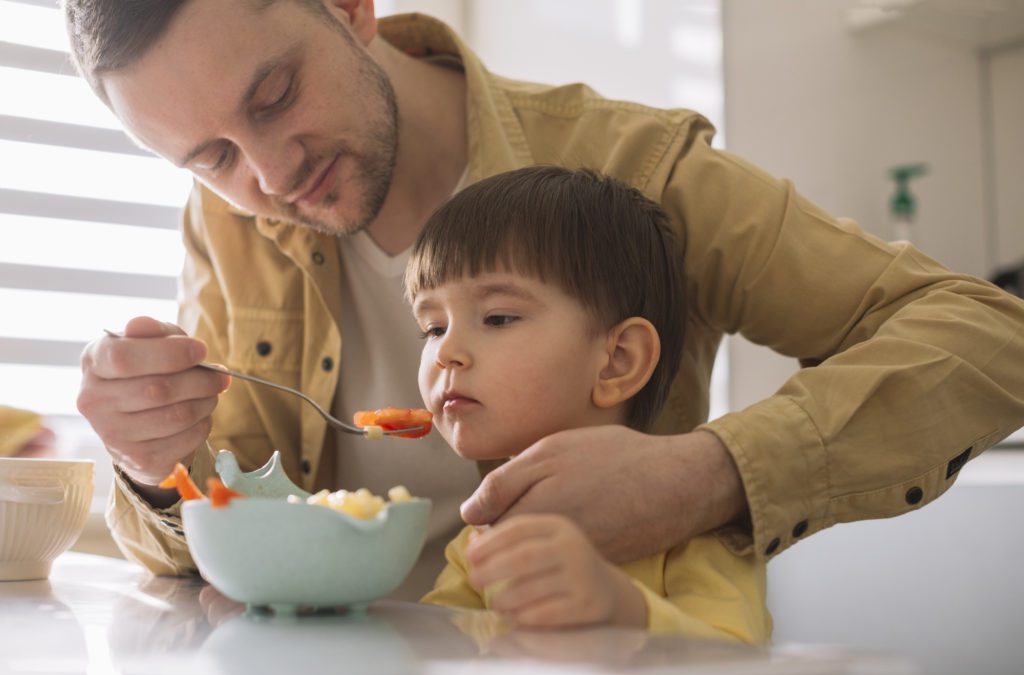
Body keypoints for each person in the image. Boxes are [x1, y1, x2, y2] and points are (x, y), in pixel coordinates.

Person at [65, 0, 1024, 597]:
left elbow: (986, 333)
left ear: (348, 6)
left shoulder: (637, 167)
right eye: (213, 157)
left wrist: (709, 472)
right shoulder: (227, 221)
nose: (271, 173)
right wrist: (155, 466)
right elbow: (220, 515)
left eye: (274, 96)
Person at [411, 165, 770, 642]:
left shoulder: (696, 525)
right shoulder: (479, 542)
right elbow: (435, 655)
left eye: (497, 318)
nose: (446, 352)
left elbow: (738, 665)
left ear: (617, 361)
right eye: (433, 328)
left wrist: (622, 610)